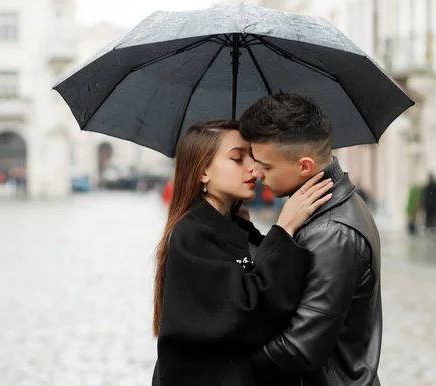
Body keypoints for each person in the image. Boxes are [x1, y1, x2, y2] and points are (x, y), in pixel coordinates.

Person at [152, 120, 333, 386]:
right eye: (237, 158)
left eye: (252, 156)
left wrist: (243, 231)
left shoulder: (227, 224)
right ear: (202, 171)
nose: (254, 168)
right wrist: (285, 228)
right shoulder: (191, 234)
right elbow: (248, 312)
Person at [239, 92, 382, 386]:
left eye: (265, 166)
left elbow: (299, 349)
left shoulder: (333, 233)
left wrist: (223, 362)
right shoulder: (319, 212)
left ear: (304, 166)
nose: (256, 172)